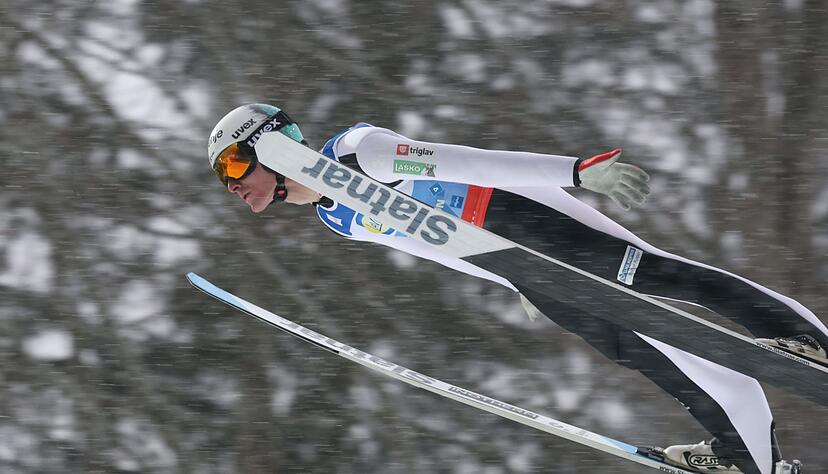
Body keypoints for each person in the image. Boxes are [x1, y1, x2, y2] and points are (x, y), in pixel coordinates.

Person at [207, 103, 824, 474]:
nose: (233, 186)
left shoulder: (357, 154)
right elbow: (433, 243)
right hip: (512, 260)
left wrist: (575, 173)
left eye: (236, 165)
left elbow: (463, 163)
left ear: (272, 143)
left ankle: (801, 338)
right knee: (635, 345)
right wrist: (511, 277)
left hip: (518, 213)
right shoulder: (334, 215)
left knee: (652, 275)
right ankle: (744, 451)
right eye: (223, 179)